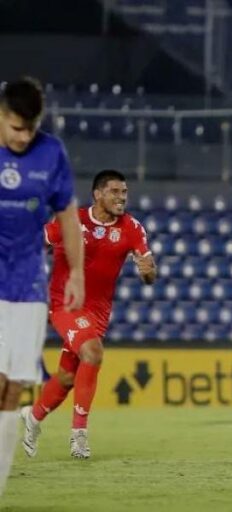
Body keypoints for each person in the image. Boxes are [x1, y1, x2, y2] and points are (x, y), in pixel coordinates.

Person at [21, 169, 155, 459]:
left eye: (124, 192)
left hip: (98, 312)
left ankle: (32, 419)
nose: (122, 198)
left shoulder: (132, 227)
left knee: (68, 377)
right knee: (93, 352)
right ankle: (79, 435)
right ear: (98, 194)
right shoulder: (72, 220)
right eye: (115, 192)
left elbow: (149, 270)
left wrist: (148, 273)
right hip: (65, 304)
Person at [0, 76, 84, 492]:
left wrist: (78, 273)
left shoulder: (51, 152)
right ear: (2, 116)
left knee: (14, 388)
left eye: (30, 128)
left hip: (29, 285)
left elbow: (68, 216)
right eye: (16, 127)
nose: (23, 136)